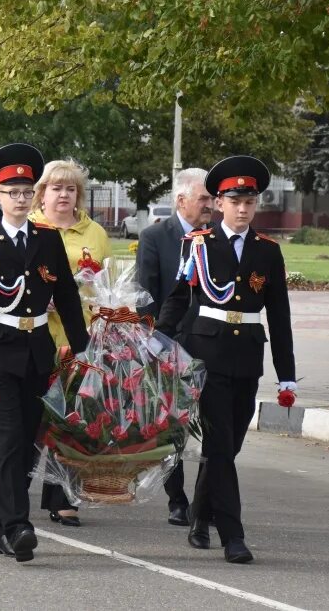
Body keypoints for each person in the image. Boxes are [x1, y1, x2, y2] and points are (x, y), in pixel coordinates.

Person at [157, 156, 297, 565]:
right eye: (234, 201)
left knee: (228, 447)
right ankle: (233, 536)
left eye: (249, 202)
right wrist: (156, 342)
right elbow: (179, 299)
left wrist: (286, 377)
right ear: (218, 203)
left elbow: (280, 316)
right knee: (219, 444)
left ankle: (200, 516)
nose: (242, 209)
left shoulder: (267, 252)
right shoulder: (197, 245)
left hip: (247, 358)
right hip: (207, 358)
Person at [0, 144, 89, 562]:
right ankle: (18, 526)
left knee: (28, 445)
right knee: (9, 442)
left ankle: (2, 525)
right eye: (12, 191)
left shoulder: (47, 239)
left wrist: (85, 349)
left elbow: (66, 296)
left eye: (26, 191)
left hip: (36, 352)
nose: (20, 198)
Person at [30, 158, 111, 526]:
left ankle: (63, 496)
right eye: (56, 188)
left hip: (79, 336)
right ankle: (13, 483)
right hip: (33, 335)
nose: (63, 194)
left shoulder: (95, 233)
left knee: (73, 419)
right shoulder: (28, 227)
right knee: (33, 418)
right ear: (41, 193)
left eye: (70, 188)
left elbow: (106, 286)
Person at [137, 167, 212, 527]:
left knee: (211, 425)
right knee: (174, 425)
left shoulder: (217, 238)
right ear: (181, 200)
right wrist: (152, 342)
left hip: (211, 344)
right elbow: (146, 294)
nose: (210, 205)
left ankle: (207, 498)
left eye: (212, 198)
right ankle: (177, 499)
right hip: (169, 344)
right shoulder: (156, 237)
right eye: (204, 198)